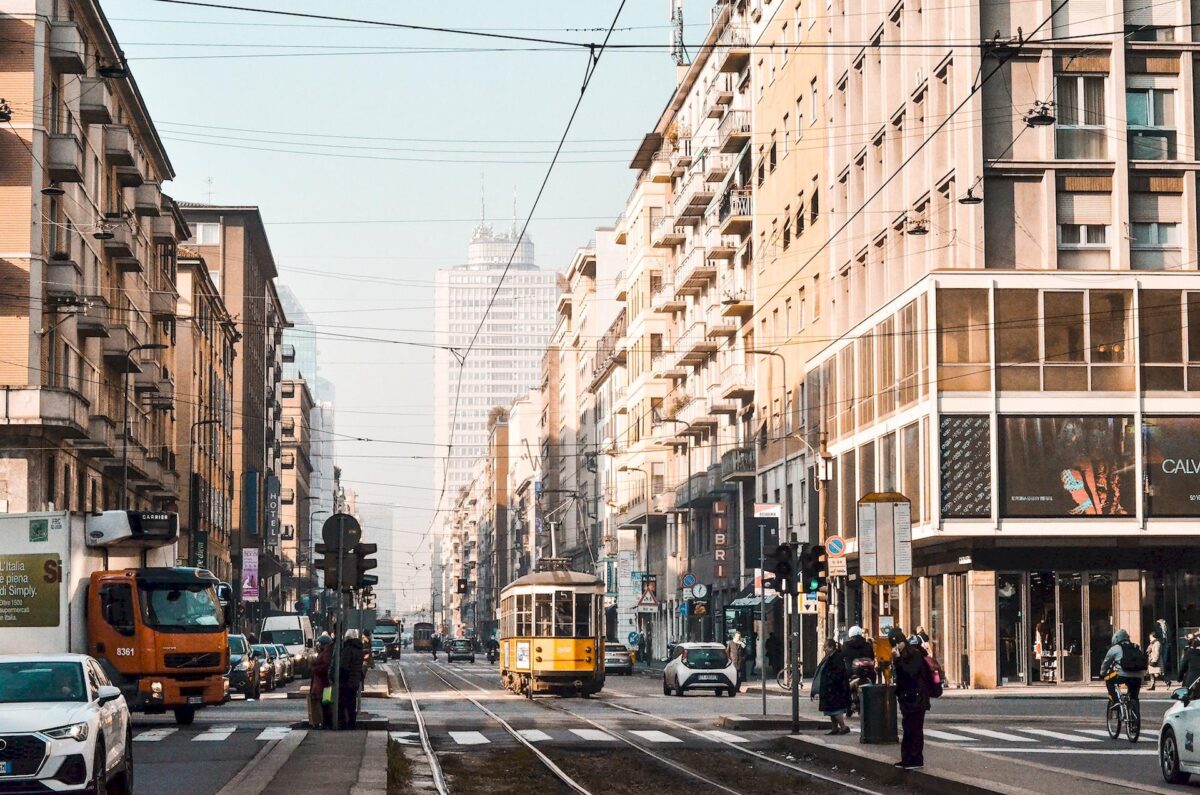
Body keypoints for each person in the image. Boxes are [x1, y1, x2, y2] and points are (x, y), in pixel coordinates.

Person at [890, 627, 933, 770]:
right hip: (907, 697)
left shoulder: (914, 654)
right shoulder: (903, 655)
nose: (896, 647)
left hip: (916, 697)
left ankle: (915, 759)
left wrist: (897, 660)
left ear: (902, 641)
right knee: (908, 728)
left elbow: (910, 673)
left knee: (914, 728)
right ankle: (907, 758)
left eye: (897, 643)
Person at [1100, 629, 1142, 722]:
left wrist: (1102, 673)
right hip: (1138, 676)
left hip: (1122, 674)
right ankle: (1135, 720)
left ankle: (1115, 701)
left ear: (1116, 638)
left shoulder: (1115, 648)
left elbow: (1106, 663)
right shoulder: (1136, 646)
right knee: (1134, 696)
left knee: (1108, 679)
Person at [811, 638, 851, 735]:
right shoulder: (829, 657)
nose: (824, 649)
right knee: (830, 709)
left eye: (826, 647)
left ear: (831, 647)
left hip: (834, 688)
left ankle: (843, 727)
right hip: (829, 687)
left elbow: (838, 672)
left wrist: (830, 680)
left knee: (835, 710)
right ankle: (834, 728)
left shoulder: (836, 657)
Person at [338, 630, 365, 729]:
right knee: (352, 704)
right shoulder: (359, 649)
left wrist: (340, 679)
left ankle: (344, 724)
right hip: (355, 681)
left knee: (343, 703)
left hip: (347, 681)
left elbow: (344, 666)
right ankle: (352, 723)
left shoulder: (348, 650)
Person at [309, 635, 333, 729]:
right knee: (324, 704)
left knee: (325, 704)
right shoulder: (325, 652)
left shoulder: (326, 653)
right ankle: (325, 723)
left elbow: (325, 667)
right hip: (323, 683)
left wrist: (315, 668)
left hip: (324, 684)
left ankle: (326, 723)